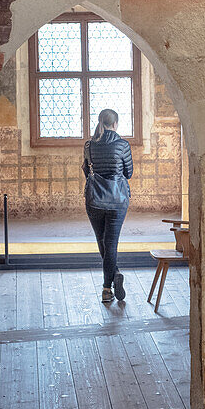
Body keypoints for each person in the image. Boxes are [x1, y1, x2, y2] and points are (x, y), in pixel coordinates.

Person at [83, 108, 134, 303]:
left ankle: (110, 284)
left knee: (102, 241)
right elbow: (128, 173)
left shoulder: (89, 145)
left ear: (99, 122)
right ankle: (108, 284)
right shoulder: (122, 145)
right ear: (115, 124)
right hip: (117, 200)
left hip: (94, 200)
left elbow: (87, 172)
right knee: (111, 243)